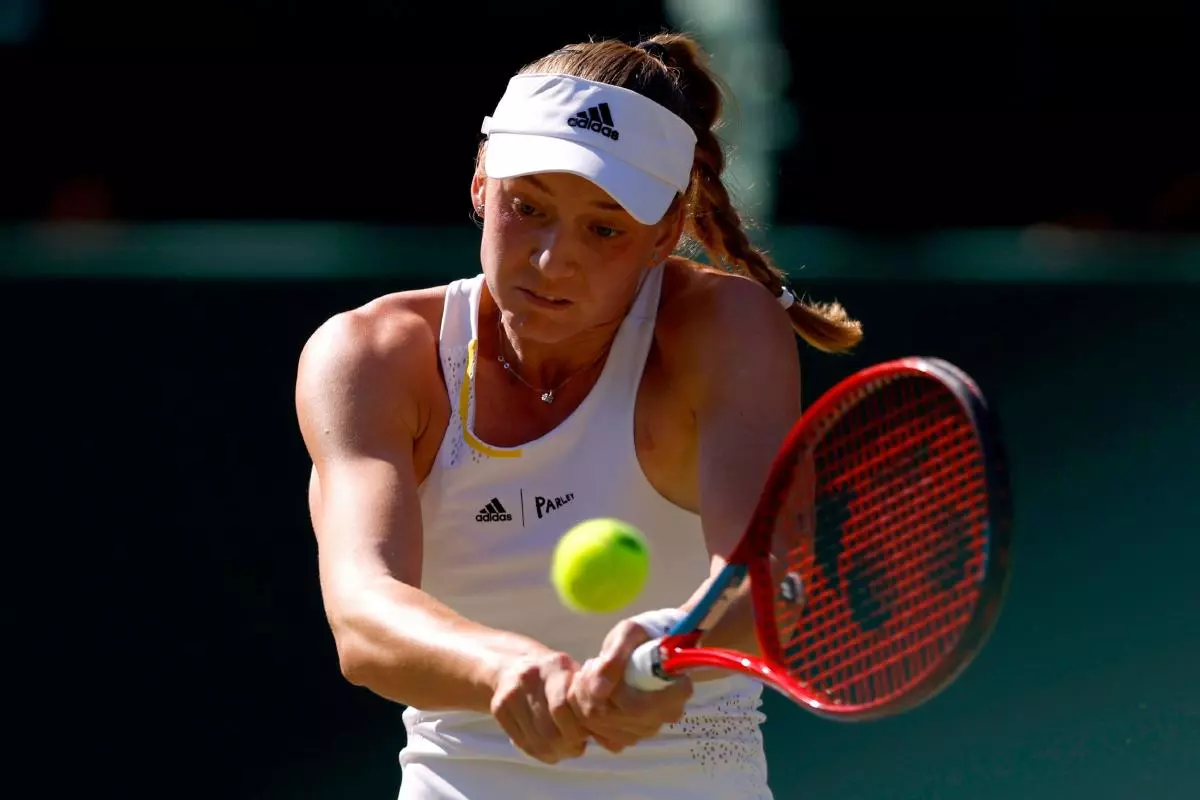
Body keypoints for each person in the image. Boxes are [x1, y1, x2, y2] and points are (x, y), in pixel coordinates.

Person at [295, 32, 862, 800]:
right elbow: (363, 615)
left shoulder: (724, 328)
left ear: (665, 234)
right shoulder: (372, 356)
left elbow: (770, 583)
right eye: (526, 206)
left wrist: (674, 643)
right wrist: (505, 669)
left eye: (603, 229)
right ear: (478, 183)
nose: (551, 260)